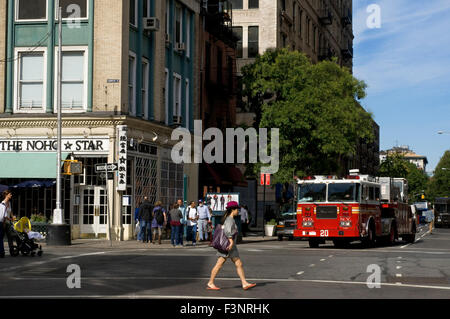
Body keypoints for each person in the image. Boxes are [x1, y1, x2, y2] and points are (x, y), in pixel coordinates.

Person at [207, 201, 256, 291]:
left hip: (230, 246)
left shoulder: (229, 218)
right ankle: (210, 282)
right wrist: (231, 241)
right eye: (237, 209)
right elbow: (227, 231)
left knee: (238, 264)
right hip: (229, 246)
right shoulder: (230, 219)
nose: (238, 211)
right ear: (233, 209)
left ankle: (244, 283)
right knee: (219, 264)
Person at [0, 190, 14, 258]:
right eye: (10, 194)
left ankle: (12, 251)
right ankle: (2, 252)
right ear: (6, 195)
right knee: (1, 238)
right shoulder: (3, 203)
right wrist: (10, 219)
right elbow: (4, 216)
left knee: (10, 237)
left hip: (8, 222)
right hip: (4, 223)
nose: (11, 195)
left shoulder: (9, 203)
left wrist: (13, 217)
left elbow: (10, 211)